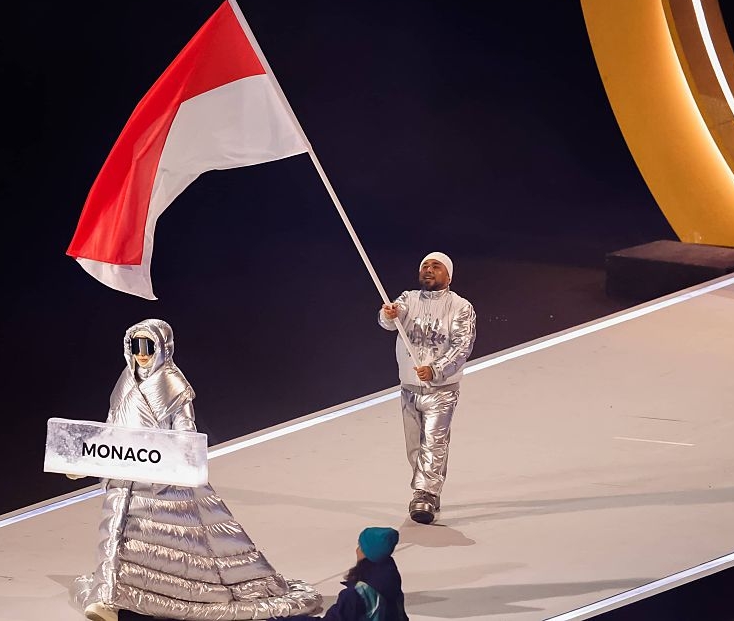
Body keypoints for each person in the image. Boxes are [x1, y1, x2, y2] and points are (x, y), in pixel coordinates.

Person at [70, 318, 322, 621]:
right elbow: (113, 424)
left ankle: (154, 594)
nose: (141, 353)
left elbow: (185, 430)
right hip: (126, 472)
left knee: (171, 543)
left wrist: (177, 460)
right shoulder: (125, 380)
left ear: (162, 346)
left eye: (147, 345)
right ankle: (109, 596)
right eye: (135, 345)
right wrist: (86, 459)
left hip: (162, 478)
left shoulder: (173, 383)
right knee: (116, 533)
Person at [378, 252, 476, 524]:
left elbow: (462, 346)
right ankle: (428, 486)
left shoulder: (461, 307)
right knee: (414, 447)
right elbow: (389, 319)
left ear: (449, 275)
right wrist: (389, 314)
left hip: (441, 389)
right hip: (409, 387)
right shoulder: (408, 299)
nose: (429, 269)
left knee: (434, 442)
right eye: (425, 265)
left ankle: (425, 494)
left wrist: (436, 370)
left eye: (436, 266)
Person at [282, 527, 409, 621]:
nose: (357, 550)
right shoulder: (390, 578)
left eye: (360, 546)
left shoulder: (357, 594)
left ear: (368, 553)